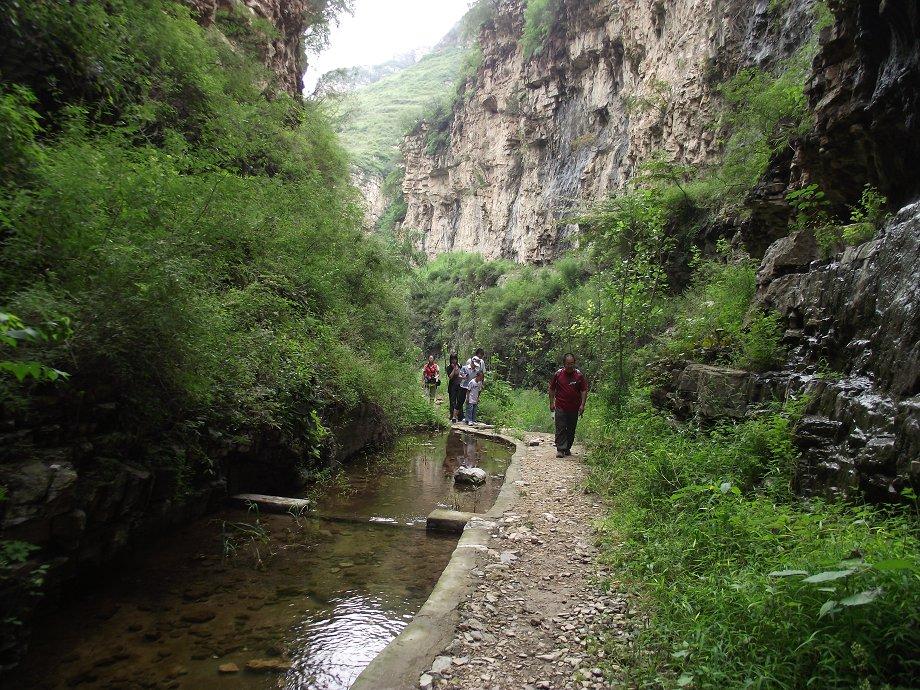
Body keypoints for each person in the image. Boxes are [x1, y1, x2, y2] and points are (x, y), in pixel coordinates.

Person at [548, 353, 588, 458]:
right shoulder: (558, 374)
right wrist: (551, 403)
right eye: (567, 363)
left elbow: (584, 390)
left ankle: (567, 448)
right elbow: (552, 389)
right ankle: (560, 449)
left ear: (574, 363)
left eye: (572, 363)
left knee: (571, 429)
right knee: (560, 428)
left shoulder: (579, 375)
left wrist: (582, 405)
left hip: (574, 407)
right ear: (564, 364)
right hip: (560, 406)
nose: (570, 366)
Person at [445, 353, 462, 422]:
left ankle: (460, 416)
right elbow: (450, 376)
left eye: (455, 359)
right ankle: (452, 416)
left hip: (459, 385)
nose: (454, 360)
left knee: (459, 400)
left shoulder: (460, 365)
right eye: (452, 359)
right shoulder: (449, 367)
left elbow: (461, 374)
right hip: (452, 386)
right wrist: (454, 369)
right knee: (452, 401)